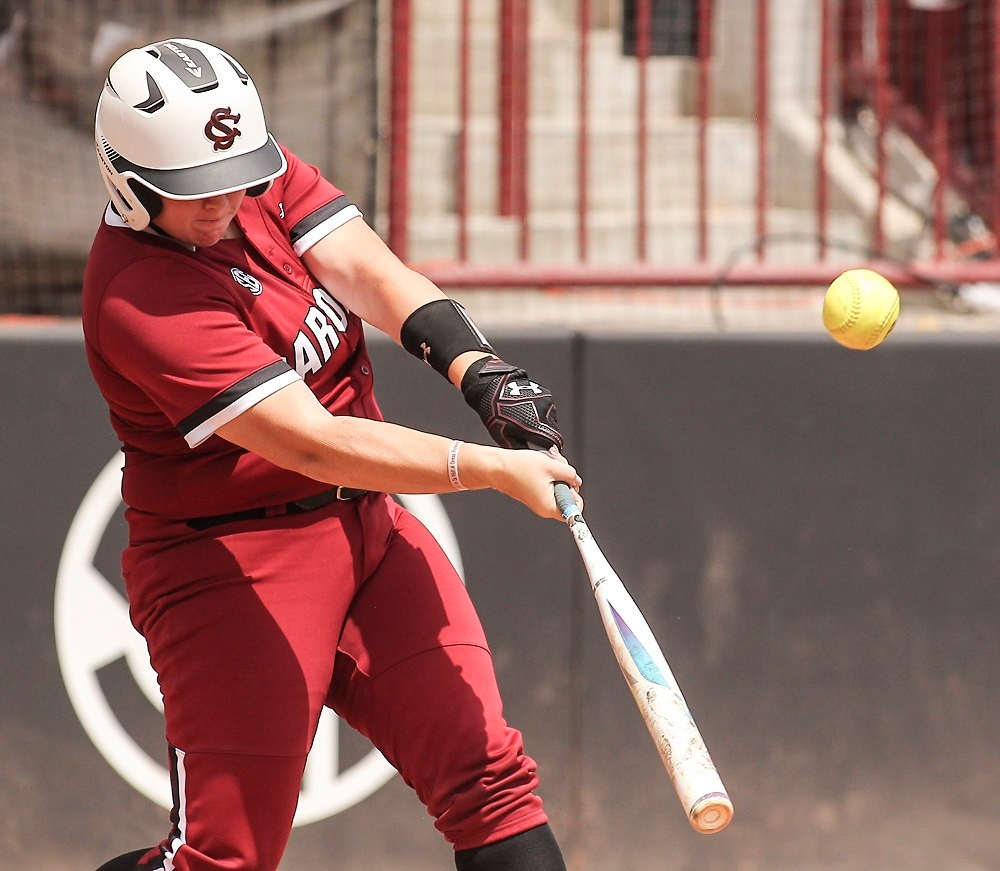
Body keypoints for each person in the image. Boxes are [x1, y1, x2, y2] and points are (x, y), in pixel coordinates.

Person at [83, 38, 581, 871]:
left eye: (238, 177)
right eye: (198, 190)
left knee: (489, 779)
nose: (227, 202)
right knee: (225, 858)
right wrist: (492, 468)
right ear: (130, 185)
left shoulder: (247, 173)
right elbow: (315, 442)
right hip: (233, 564)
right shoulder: (139, 295)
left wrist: (480, 371)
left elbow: (369, 272)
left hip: (369, 534)